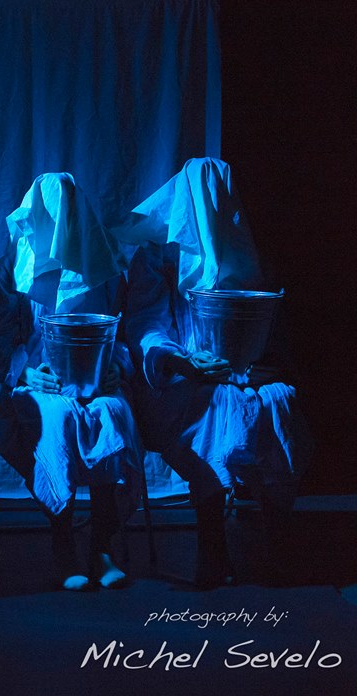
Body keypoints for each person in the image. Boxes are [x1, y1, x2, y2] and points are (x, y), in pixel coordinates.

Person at [122, 157, 310, 588]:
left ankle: (277, 538)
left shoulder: (245, 244)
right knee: (213, 409)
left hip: (243, 373)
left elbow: (268, 320)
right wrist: (182, 361)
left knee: (278, 402)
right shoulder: (157, 254)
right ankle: (212, 542)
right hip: (179, 378)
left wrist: (261, 359)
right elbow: (146, 325)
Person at [0, 173, 143, 591]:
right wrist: (24, 370)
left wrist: (117, 365)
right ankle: (63, 542)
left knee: (113, 414)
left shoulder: (105, 267)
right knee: (57, 420)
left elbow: (125, 334)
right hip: (37, 387)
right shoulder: (12, 269)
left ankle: (102, 546)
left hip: (96, 382)